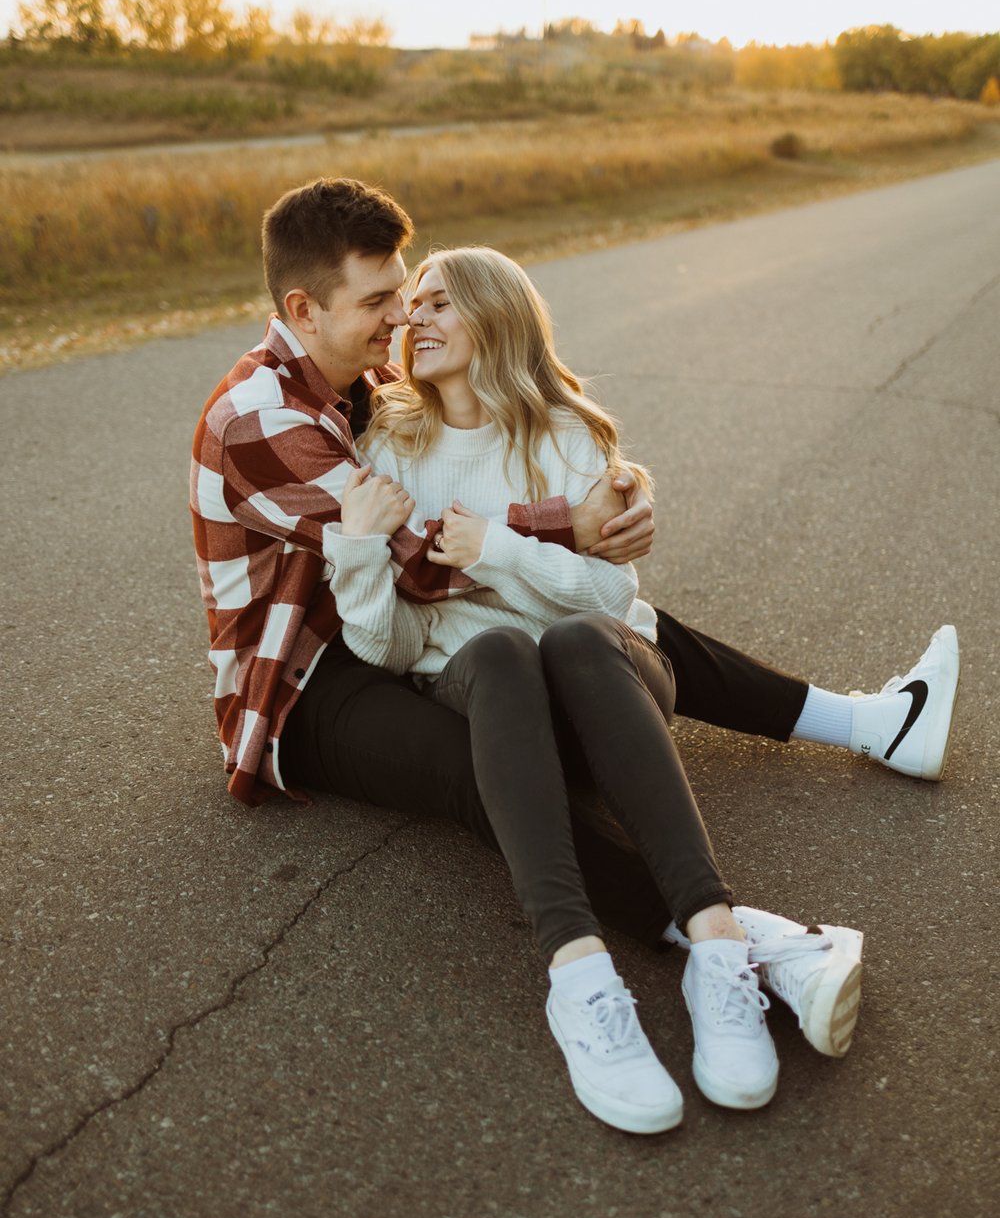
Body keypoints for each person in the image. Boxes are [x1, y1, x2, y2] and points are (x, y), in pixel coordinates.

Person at [189, 178, 960, 1124]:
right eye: (383, 300)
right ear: (303, 311)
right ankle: (742, 944)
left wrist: (593, 519)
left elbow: (489, 485)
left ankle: (875, 724)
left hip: (383, 621)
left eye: (411, 293)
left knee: (599, 628)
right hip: (303, 681)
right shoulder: (263, 416)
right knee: (499, 750)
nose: (401, 318)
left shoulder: (366, 383)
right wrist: (566, 526)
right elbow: (418, 562)